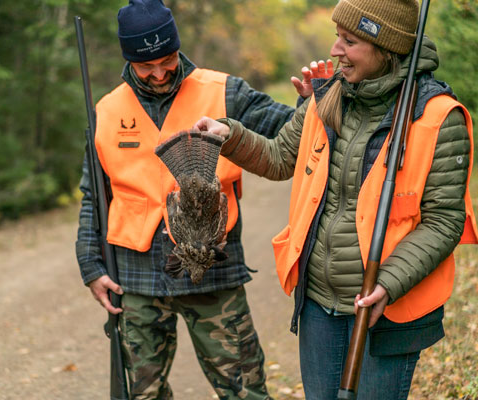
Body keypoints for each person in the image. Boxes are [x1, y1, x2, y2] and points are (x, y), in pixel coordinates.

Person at [195, 0, 478, 398]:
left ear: (386, 49)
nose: (335, 51)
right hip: (318, 305)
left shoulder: (436, 117)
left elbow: (444, 221)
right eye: (336, 37)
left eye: (349, 41)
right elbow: (278, 158)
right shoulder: (327, 97)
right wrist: (230, 135)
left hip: (385, 308)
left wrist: (389, 284)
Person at [75, 0, 330, 398]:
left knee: (245, 389)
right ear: (129, 60)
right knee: (141, 394)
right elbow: (94, 193)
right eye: (146, 66)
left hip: (214, 267)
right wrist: (91, 264)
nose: (160, 74)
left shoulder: (225, 90)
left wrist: (309, 102)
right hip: (135, 275)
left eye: (168, 60)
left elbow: (290, 138)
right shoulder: (106, 110)